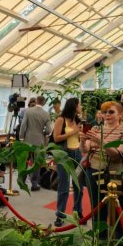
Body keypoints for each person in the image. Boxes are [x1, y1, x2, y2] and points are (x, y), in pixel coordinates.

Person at [81, 101, 123, 238]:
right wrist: (82, 140)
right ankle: (99, 240)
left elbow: (117, 154)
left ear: (120, 114)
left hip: (113, 174)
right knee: (96, 209)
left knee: (116, 210)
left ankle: (115, 241)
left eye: (111, 112)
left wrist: (101, 141)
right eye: (104, 112)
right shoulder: (97, 129)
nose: (107, 115)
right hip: (93, 171)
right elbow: (86, 150)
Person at [52, 97, 83, 227]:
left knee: (79, 185)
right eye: (79, 104)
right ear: (74, 106)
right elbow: (56, 138)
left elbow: (78, 137)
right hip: (65, 154)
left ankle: (78, 212)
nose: (81, 107)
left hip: (78, 153)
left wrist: (80, 134)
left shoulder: (77, 120)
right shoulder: (61, 119)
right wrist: (74, 132)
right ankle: (60, 214)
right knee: (64, 186)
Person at [19, 96, 52, 191]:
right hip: (39, 141)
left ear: (36, 101)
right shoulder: (46, 114)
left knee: (25, 161)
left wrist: (21, 137)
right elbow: (48, 130)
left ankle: (22, 181)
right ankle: (34, 184)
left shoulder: (28, 111)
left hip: (27, 140)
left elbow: (23, 125)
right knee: (36, 163)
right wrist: (43, 133)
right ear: (44, 103)